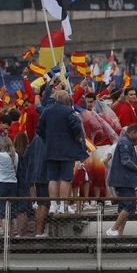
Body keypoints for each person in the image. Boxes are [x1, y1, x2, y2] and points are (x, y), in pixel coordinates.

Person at [35, 89, 87, 224]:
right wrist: (77, 138)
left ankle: (53, 204)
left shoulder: (47, 110)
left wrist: (48, 140)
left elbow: (39, 129)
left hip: (50, 149)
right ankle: (63, 205)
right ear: (65, 99)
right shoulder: (69, 111)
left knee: (52, 178)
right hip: (67, 150)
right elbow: (77, 127)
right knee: (65, 178)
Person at [106, 124, 137, 236]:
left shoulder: (126, 142)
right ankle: (113, 228)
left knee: (124, 206)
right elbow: (125, 160)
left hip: (125, 180)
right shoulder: (125, 143)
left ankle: (119, 234)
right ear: (132, 133)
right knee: (130, 205)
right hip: (124, 181)